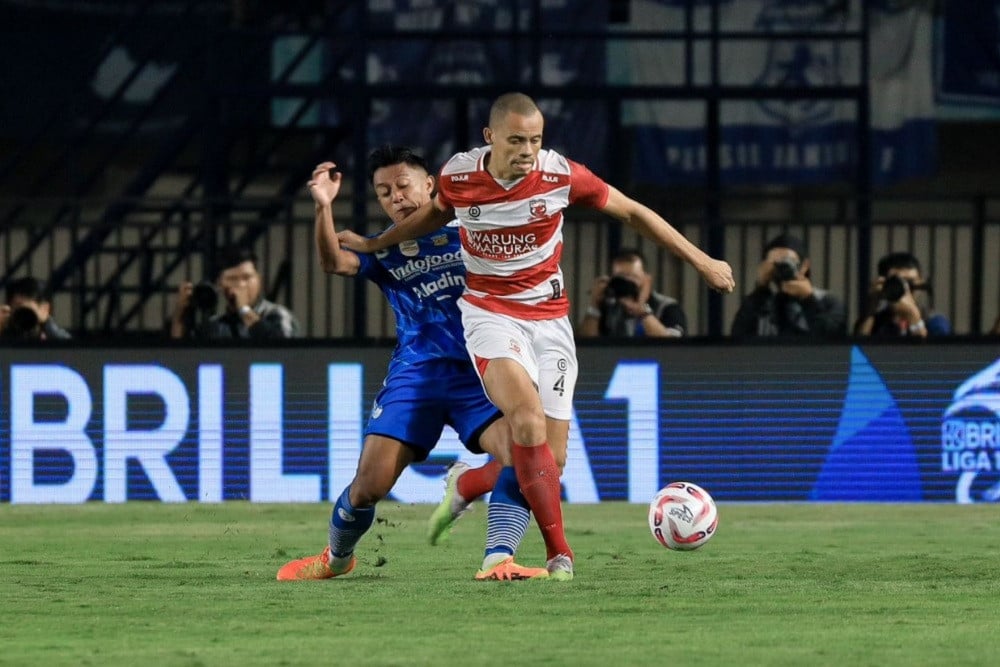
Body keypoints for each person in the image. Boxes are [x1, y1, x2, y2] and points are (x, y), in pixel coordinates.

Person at [338, 92, 735, 581]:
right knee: (524, 421)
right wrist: (376, 244)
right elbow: (434, 214)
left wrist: (702, 260)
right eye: (516, 140)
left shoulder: (561, 176)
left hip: (549, 320)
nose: (527, 150)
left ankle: (468, 484)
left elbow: (632, 212)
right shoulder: (460, 176)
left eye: (535, 139)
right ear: (491, 138)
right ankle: (559, 556)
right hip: (489, 316)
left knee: (552, 458)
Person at [277, 147, 548, 582]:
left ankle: (500, 558)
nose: (395, 197)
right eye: (384, 192)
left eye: (403, 185)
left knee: (524, 453)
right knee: (370, 486)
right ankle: (336, 558)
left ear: (430, 185)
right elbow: (332, 262)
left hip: (480, 373)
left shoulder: (472, 232)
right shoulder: (385, 248)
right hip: (416, 375)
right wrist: (323, 208)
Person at [169, 245, 300, 340]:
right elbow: (182, 358)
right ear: (220, 284)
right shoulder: (215, 325)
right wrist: (179, 315)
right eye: (232, 279)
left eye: (247, 277)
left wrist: (244, 310)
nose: (241, 285)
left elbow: (283, 349)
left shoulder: (277, 315)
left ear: (259, 279)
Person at [730, 233, 846, 339]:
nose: (781, 268)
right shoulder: (760, 302)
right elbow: (738, 338)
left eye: (787, 262)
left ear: (805, 265)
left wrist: (808, 299)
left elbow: (833, 338)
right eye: (775, 263)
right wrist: (760, 289)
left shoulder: (827, 301)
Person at [577, 248, 687, 338]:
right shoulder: (608, 306)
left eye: (633, 277)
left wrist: (642, 311)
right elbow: (586, 344)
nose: (627, 282)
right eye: (621, 277)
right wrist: (594, 306)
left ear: (647, 280)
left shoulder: (667, 307)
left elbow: (674, 346)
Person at [854, 251, 951, 338]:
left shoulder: (935, 321)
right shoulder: (876, 321)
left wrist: (915, 320)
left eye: (911, 283)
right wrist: (872, 307)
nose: (905, 290)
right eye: (898, 283)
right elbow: (858, 351)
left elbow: (934, 356)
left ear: (921, 284)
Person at [0, 277, 72, 341]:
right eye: (19, 309)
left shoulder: (58, 339)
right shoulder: (5, 332)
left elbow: (68, 350)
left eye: (28, 312)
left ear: (45, 310)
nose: (24, 318)